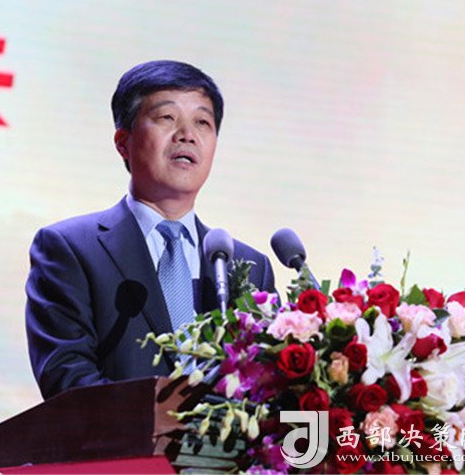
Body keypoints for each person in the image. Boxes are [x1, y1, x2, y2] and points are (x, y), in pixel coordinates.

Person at [25, 60, 276, 400]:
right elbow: (67, 379)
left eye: (202, 122)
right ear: (123, 142)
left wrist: (319, 423)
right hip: (119, 436)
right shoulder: (71, 249)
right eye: (167, 118)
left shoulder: (249, 266)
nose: (187, 135)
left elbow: (271, 390)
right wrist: (171, 420)